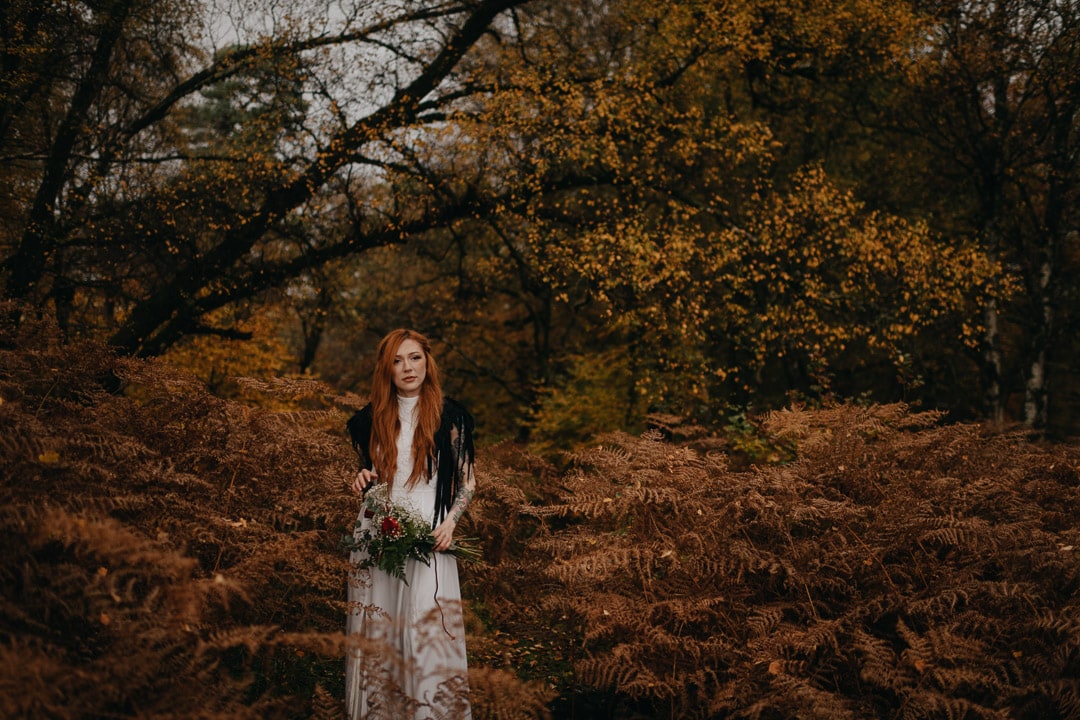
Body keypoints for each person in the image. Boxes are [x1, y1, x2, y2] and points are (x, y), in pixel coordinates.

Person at [344, 329, 476, 720]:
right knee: (380, 635)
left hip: (429, 534)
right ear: (387, 369)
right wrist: (362, 481)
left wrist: (451, 523)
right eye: (398, 361)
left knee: (424, 634)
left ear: (427, 361)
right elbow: (373, 477)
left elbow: (468, 481)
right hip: (378, 533)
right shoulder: (369, 420)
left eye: (415, 358)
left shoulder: (450, 417)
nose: (408, 367)